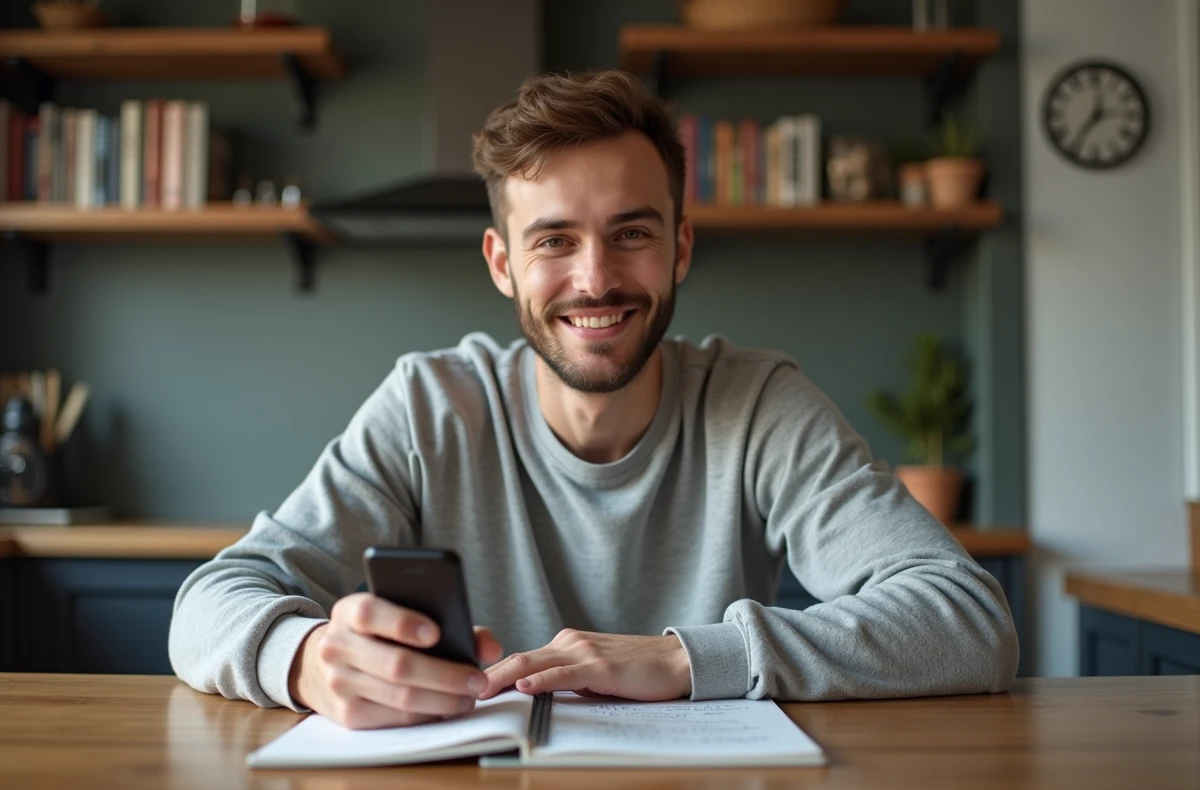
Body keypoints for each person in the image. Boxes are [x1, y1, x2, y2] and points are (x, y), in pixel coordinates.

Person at [169, 70, 1019, 730]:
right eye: (555, 241)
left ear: (680, 246)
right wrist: (306, 655)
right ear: (502, 264)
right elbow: (212, 600)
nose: (597, 278)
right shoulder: (432, 405)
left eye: (632, 233)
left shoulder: (759, 404)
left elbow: (969, 620)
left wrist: (687, 659)